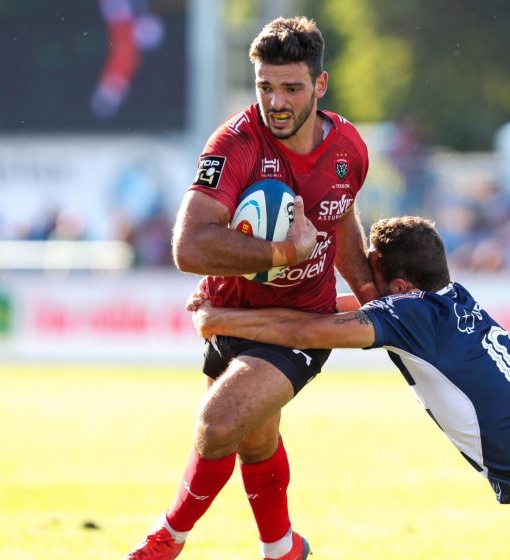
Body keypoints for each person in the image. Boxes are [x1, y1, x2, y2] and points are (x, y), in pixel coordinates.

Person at [190, 216, 510, 560]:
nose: (368, 291)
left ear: (402, 288)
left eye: (374, 279)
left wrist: (220, 320)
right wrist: (239, 308)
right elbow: (327, 313)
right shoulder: (454, 298)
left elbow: (307, 333)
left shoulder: (411, 316)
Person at [124, 16, 377, 560]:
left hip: (301, 325)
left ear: (320, 86)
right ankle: (284, 549)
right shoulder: (234, 144)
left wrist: (374, 296)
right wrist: (284, 252)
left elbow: (343, 225)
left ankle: (167, 539)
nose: (277, 102)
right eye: (266, 86)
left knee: (218, 424)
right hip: (234, 315)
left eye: (291, 88)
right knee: (255, 440)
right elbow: (188, 247)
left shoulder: (350, 148)